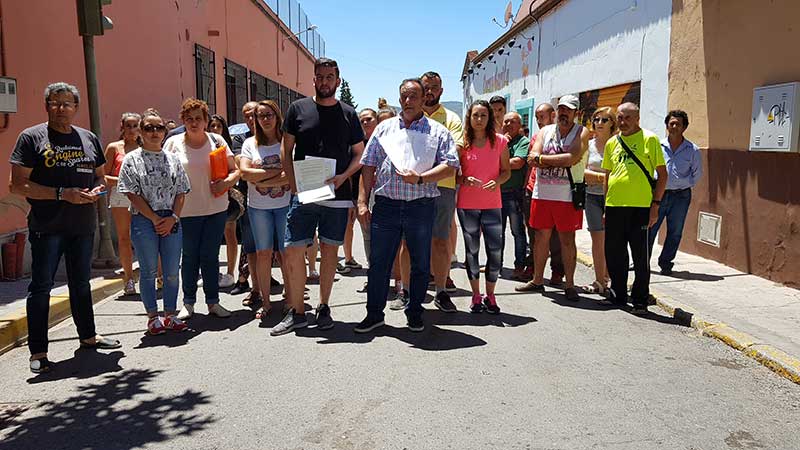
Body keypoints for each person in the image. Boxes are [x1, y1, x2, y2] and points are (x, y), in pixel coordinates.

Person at [10, 82, 121, 374]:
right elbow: (17, 184)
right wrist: (62, 193)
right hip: (47, 227)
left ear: (76, 108)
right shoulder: (31, 137)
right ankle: (39, 351)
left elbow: (99, 177)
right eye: (55, 103)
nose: (61, 109)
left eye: (67, 103)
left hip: (82, 226)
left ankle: (88, 336)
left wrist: (95, 192)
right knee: (41, 288)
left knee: (81, 284)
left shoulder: (88, 138)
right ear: (46, 106)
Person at [354, 78, 459, 333]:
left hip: (421, 206)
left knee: (421, 263)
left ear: (424, 99)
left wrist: (422, 178)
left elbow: (451, 163)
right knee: (379, 263)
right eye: (404, 96)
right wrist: (362, 201)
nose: (408, 101)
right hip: (387, 206)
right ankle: (374, 314)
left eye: (413, 96)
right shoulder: (385, 128)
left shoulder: (437, 131)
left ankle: (415, 313)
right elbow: (368, 165)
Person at [273, 58, 365, 336]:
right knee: (293, 250)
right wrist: (292, 183)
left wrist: (343, 177)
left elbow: (359, 154)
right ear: (313, 79)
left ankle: (324, 306)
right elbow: (285, 149)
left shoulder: (349, 114)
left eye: (329, 77)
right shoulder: (297, 109)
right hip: (304, 194)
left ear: (337, 80)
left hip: (336, 196)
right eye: (319, 76)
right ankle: (298, 311)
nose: (324, 81)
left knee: (328, 253)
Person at [165, 98, 240, 320]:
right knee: (189, 257)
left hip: (215, 209)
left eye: (199, 118)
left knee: (210, 256)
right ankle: (188, 303)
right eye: (189, 119)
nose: (194, 123)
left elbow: (234, 170)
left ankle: (213, 302)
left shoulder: (217, 141)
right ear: (183, 121)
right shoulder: (173, 143)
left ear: (206, 120)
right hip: (185, 211)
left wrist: (226, 183)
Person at [117, 108, 191, 335]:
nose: (155, 132)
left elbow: (181, 192)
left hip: (171, 220)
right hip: (144, 221)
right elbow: (131, 193)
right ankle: (152, 316)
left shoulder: (173, 159)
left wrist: (173, 218)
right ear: (140, 131)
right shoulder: (132, 159)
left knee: (170, 270)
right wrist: (155, 218)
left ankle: (170, 314)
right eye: (149, 128)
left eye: (159, 128)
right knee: (148, 271)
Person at [601, 102, 667, 315]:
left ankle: (640, 299)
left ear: (637, 118)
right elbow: (607, 175)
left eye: (627, 117)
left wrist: (655, 205)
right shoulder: (612, 142)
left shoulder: (650, 139)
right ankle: (618, 294)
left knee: (640, 255)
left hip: (640, 207)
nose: (623, 122)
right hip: (614, 206)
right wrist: (605, 205)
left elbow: (662, 175)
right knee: (614, 253)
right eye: (620, 117)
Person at [527, 95, 590, 301]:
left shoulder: (581, 132)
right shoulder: (545, 131)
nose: (564, 113)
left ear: (576, 113)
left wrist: (543, 159)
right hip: (542, 193)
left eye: (569, 110)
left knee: (567, 240)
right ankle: (537, 280)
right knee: (540, 239)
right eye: (561, 109)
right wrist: (555, 160)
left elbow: (572, 158)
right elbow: (532, 158)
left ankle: (569, 284)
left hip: (567, 195)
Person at [238, 100, 291, 320]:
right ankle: (266, 301)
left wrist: (261, 179)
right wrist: (277, 173)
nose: (265, 119)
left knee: (286, 254)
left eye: (269, 114)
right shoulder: (250, 144)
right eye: (261, 116)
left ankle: (290, 298)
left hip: (284, 205)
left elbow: (291, 173)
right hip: (258, 207)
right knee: (263, 253)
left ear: (277, 116)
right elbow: (244, 172)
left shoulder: (287, 142)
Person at [457, 100, 510, 314]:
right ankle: (476, 295)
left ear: (490, 118)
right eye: (475, 115)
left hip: (492, 205)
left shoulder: (500, 142)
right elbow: (453, 174)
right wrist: (463, 179)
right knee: (472, 251)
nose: (479, 120)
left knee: (495, 252)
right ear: (469, 118)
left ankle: (491, 295)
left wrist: (497, 181)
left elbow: (506, 171)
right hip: (467, 205)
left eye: (483, 116)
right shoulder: (462, 144)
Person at [420, 71, 463, 312]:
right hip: (412, 187)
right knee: (412, 240)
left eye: (434, 87)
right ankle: (409, 287)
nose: (430, 91)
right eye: (426, 86)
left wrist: (423, 157)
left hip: (443, 187)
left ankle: (442, 287)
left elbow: (454, 150)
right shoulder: (409, 116)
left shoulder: (452, 118)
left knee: (440, 239)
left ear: (441, 91)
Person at [516, 103, 565, 292]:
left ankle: (557, 272)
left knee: (556, 236)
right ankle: (535, 270)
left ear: (553, 116)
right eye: (536, 117)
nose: (538, 120)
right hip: (532, 189)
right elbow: (531, 163)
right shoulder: (536, 137)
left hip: (555, 191)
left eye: (541, 116)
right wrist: (525, 186)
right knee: (534, 233)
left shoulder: (561, 136)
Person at [648, 110, 702, 275]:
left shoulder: (692, 150)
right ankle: (642, 262)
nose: (674, 126)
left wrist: (679, 183)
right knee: (650, 229)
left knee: (675, 232)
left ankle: (665, 263)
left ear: (684, 127)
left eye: (678, 124)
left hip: (681, 196)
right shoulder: (658, 146)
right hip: (658, 194)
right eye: (671, 123)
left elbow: (697, 174)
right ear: (666, 125)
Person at [104, 112, 141, 295]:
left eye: (135, 126)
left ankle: (158, 275)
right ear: (122, 127)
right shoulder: (114, 148)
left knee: (146, 236)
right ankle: (128, 279)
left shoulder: (146, 146)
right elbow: (102, 176)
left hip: (143, 195)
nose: (132, 130)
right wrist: (123, 180)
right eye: (129, 126)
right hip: (120, 195)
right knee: (124, 237)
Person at [337, 109, 378, 275]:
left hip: (376, 194)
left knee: (371, 232)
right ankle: (348, 259)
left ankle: (377, 266)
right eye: (362, 120)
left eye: (369, 119)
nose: (365, 122)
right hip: (353, 192)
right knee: (348, 226)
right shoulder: (354, 142)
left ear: (376, 120)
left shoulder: (382, 140)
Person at [582, 107, 616, 295]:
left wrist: (597, 176)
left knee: (613, 239)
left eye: (604, 119)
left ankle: (610, 277)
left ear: (613, 123)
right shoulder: (588, 145)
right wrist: (603, 177)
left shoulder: (618, 144)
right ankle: (599, 280)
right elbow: (581, 172)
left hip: (614, 197)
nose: (599, 123)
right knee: (598, 238)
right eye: (596, 119)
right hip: (592, 196)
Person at [208, 114, 238, 289]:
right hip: (207, 196)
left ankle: (230, 272)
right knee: (212, 238)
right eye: (212, 126)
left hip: (227, 195)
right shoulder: (203, 145)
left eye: (218, 126)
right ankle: (212, 273)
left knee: (230, 234)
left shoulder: (227, 147)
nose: (215, 129)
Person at [500, 111, 530, 280]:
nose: (509, 125)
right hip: (497, 192)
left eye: (513, 122)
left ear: (519, 126)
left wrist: (496, 162)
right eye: (506, 122)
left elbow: (518, 163)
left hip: (514, 193)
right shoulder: (500, 141)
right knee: (498, 232)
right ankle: (496, 264)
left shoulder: (523, 141)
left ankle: (519, 265)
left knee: (517, 231)